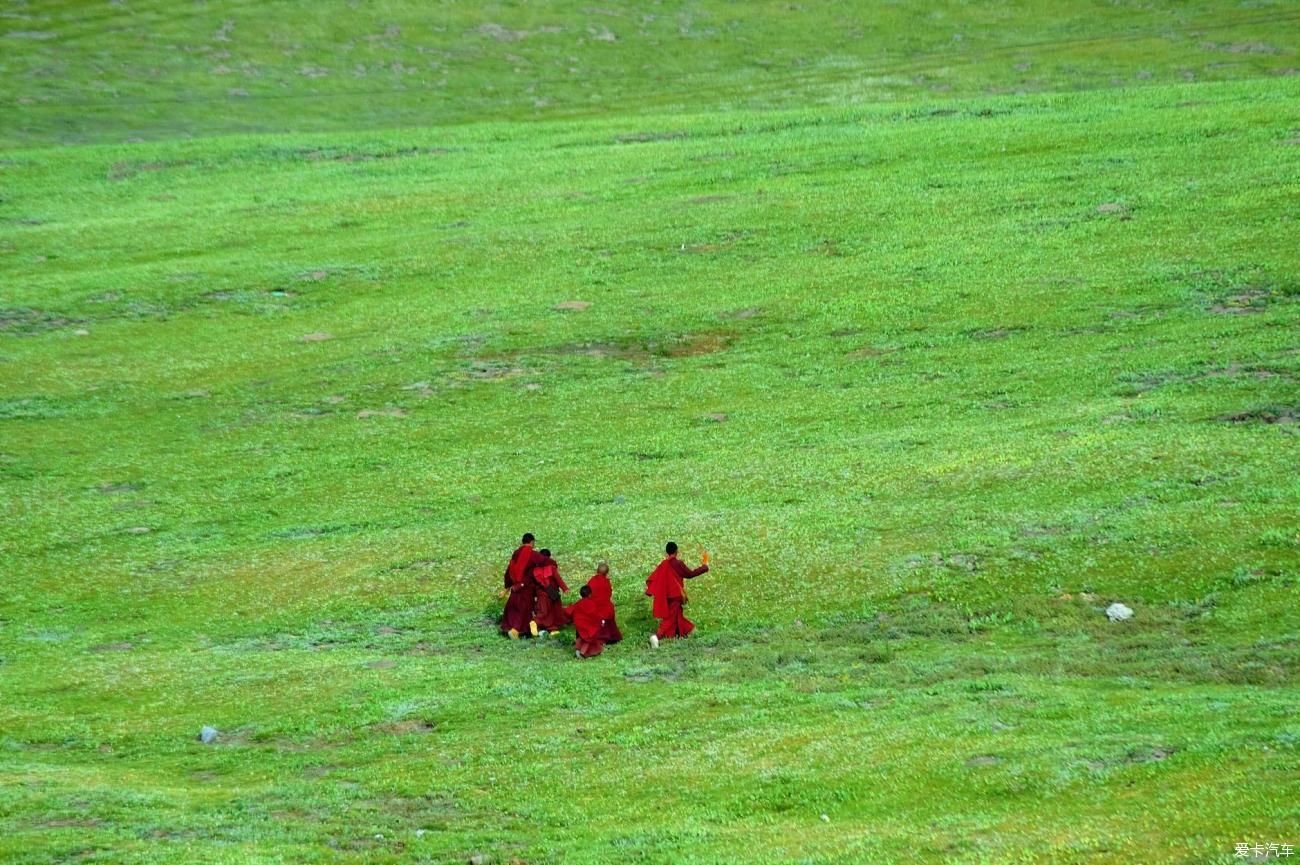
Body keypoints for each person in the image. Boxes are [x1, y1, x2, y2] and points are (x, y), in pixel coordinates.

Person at [645, 541, 708, 646]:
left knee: (677, 614)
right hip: (676, 595)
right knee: (669, 618)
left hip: (667, 595)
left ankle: (688, 631)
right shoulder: (678, 564)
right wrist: (704, 567)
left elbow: (654, 578)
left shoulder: (663, 564)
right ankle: (656, 637)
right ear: (676, 551)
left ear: (667, 552)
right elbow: (690, 574)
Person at [500, 533, 545, 639]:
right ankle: (515, 630)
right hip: (526, 587)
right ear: (532, 542)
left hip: (515, 586)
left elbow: (509, 569)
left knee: (512, 608)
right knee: (523, 609)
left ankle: (509, 628)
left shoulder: (516, 553)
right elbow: (545, 561)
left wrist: (507, 587)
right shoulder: (532, 554)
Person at [529, 548, 570, 636]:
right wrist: (565, 588)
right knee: (552, 611)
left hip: (541, 594)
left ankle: (540, 625)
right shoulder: (552, 568)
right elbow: (558, 579)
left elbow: (533, 584)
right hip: (552, 593)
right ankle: (544, 625)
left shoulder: (535, 570)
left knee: (543, 611)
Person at [566, 585, 606, 658]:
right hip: (587, 625)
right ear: (590, 594)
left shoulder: (579, 602)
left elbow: (569, 610)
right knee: (590, 637)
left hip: (578, 624)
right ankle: (582, 652)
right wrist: (601, 621)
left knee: (581, 637)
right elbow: (595, 615)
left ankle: (580, 649)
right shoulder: (591, 603)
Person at [586, 562, 622, 644]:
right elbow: (609, 594)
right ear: (606, 573)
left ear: (597, 571)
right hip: (606, 608)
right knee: (609, 613)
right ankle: (610, 636)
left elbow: (588, 593)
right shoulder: (606, 582)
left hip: (594, 607)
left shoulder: (592, 581)